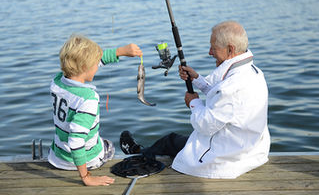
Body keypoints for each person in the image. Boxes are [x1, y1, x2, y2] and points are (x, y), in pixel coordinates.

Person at [120, 20, 271, 179]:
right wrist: (197, 79)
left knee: (169, 141)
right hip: (247, 147)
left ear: (230, 49)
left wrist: (193, 102)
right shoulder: (253, 73)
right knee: (177, 141)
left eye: (213, 48)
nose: (209, 52)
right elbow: (221, 96)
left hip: (227, 155)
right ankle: (143, 151)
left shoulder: (231, 87)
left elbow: (205, 125)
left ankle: (137, 153)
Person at [48, 34, 142, 186]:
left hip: (58, 156)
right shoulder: (88, 100)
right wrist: (86, 177)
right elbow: (76, 141)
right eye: (95, 64)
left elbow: (86, 62)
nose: (97, 66)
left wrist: (120, 52)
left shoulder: (57, 82)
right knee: (107, 145)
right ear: (85, 67)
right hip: (83, 161)